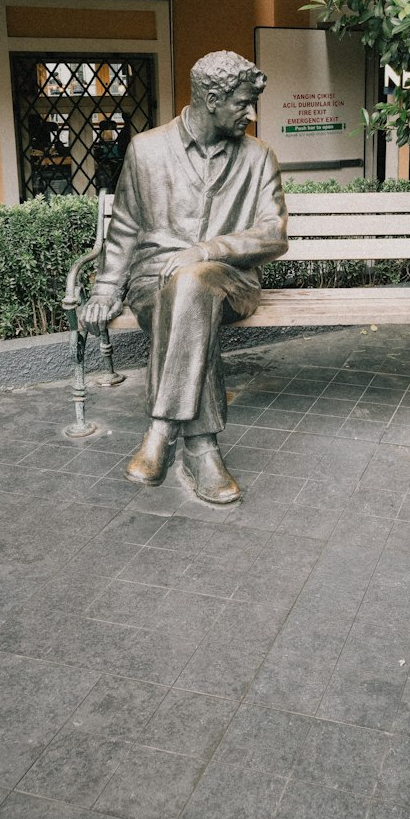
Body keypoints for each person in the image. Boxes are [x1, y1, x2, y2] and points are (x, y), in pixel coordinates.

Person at [80, 51, 287, 502]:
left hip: (231, 281)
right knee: (186, 300)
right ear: (212, 99)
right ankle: (201, 447)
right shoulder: (147, 149)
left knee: (193, 282)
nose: (252, 115)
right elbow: (126, 227)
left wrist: (207, 250)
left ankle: (160, 429)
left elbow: (273, 234)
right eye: (243, 103)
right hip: (153, 282)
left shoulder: (258, 157)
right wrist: (106, 286)